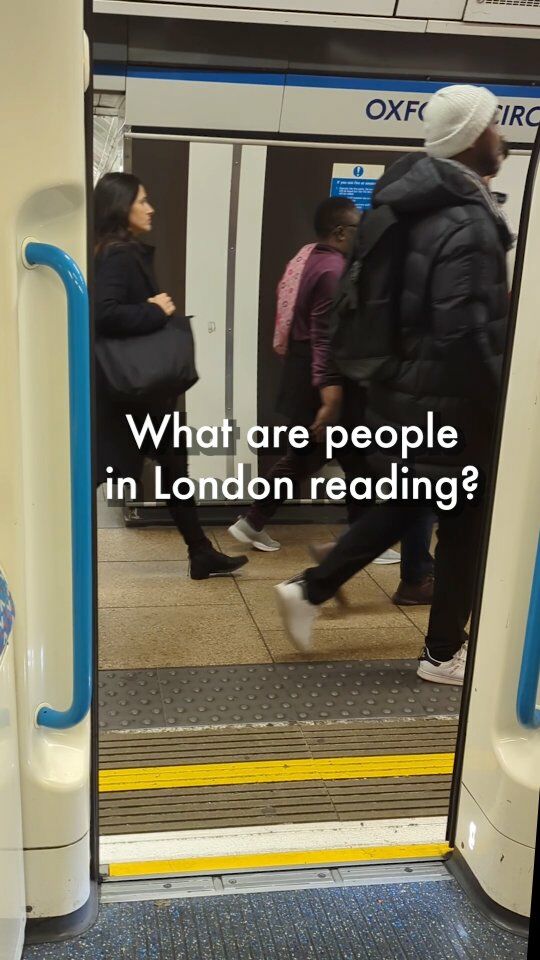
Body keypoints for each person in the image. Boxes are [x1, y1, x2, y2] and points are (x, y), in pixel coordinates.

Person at [275, 84, 513, 685]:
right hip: (455, 403)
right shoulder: (467, 219)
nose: (502, 136)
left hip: (400, 396)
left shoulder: (401, 206)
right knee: (465, 526)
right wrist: (504, 404)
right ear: (472, 138)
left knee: (410, 502)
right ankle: (440, 654)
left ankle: (309, 589)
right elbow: (466, 332)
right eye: (494, 125)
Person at [228, 197, 434, 604]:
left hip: (313, 378)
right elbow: (324, 334)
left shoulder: (310, 259)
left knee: (338, 458)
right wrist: (330, 392)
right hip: (323, 382)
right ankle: (274, 527)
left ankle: (327, 538)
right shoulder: (333, 269)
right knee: (331, 457)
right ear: (341, 232)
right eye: (357, 229)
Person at [94, 172, 248, 580]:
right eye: (141, 201)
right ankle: (60, 544)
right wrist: (156, 310)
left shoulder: (119, 250)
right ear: (120, 207)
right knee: (108, 469)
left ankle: (200, 552)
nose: (150, 207)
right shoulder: (117, 254)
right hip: (136, 394)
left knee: (173, 468)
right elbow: (104, 314)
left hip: (141, 394)